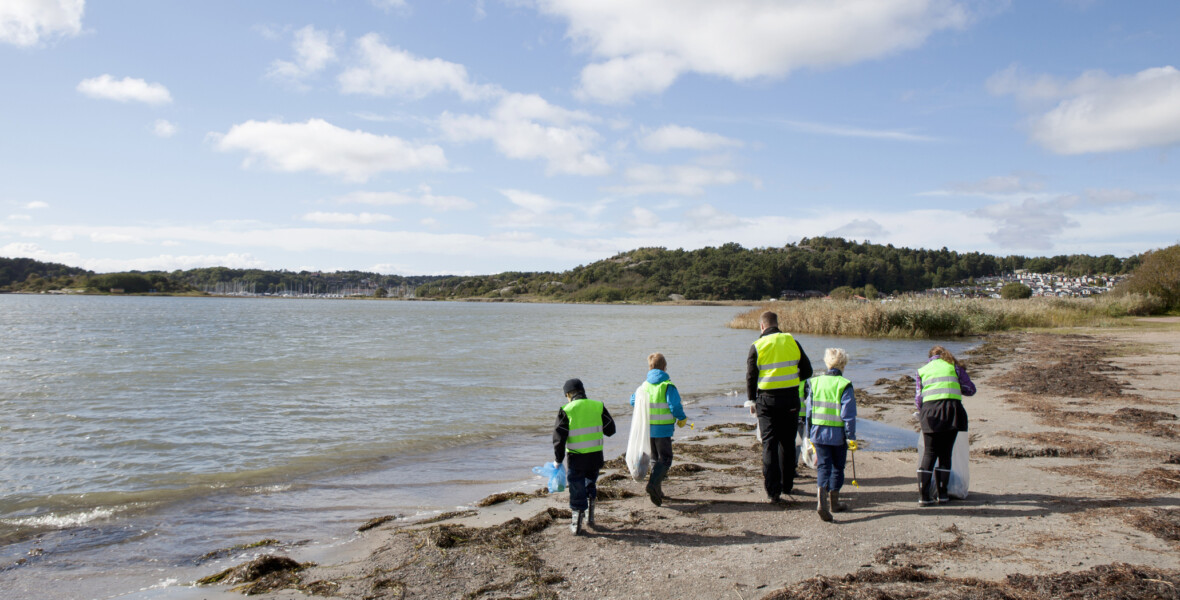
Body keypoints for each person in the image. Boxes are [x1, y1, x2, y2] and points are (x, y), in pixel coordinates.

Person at [747, 311, 813, 504]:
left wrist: (751, 401)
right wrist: (791, 380)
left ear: (762, 326)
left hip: (767, 400)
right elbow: (807, 370)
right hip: (791, 398)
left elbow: (751, 377)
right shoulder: (792, 341)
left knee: (769, 443)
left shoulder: (757, 346)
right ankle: (787, 485)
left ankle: (773, 491)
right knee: (788, 442)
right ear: (777, 324)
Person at [914, 345, 976, 506]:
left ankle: (924, 496)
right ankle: (943, 494)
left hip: (930, 414)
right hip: (952, 412)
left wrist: (922, 412)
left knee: (929, 453)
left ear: (929, 357)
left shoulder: (922, 370)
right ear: (946, 355)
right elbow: (970, 390)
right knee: (945, 453)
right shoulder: (955, 368)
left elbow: (918, 399)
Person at [553, 378, 616, 534]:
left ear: (568, 394)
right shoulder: (598, 406)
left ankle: (576, 520)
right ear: (583, 391)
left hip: (577, 457)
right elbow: (611, 430)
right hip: (595, 456)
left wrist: (558, 460)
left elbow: (558, 439)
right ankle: (590, 514)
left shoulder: (566, 410)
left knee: (576, 485)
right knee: (590, 483)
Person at [802, 348, 857, 521]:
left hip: (818, 432)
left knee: (823, 466)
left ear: (827, 362)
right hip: (838, 434)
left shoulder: (814, 382)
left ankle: (821, 501)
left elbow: (809, 410)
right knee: (838, 467)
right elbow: (848, 414)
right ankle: (834, 501)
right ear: (843, 363)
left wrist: (809, 432)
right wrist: (851, 436)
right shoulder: (844, 384)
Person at [630, 352, 687, 507]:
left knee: (655, 459)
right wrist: (682, 418)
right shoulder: (667, 385)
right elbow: (674, 406)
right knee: (666, 459)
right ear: (665, 367)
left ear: (650, 367)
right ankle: (653, 484)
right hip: (663, 430)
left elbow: (632, 401)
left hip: (648, 430)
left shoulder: (643, 386)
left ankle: (658, 490)